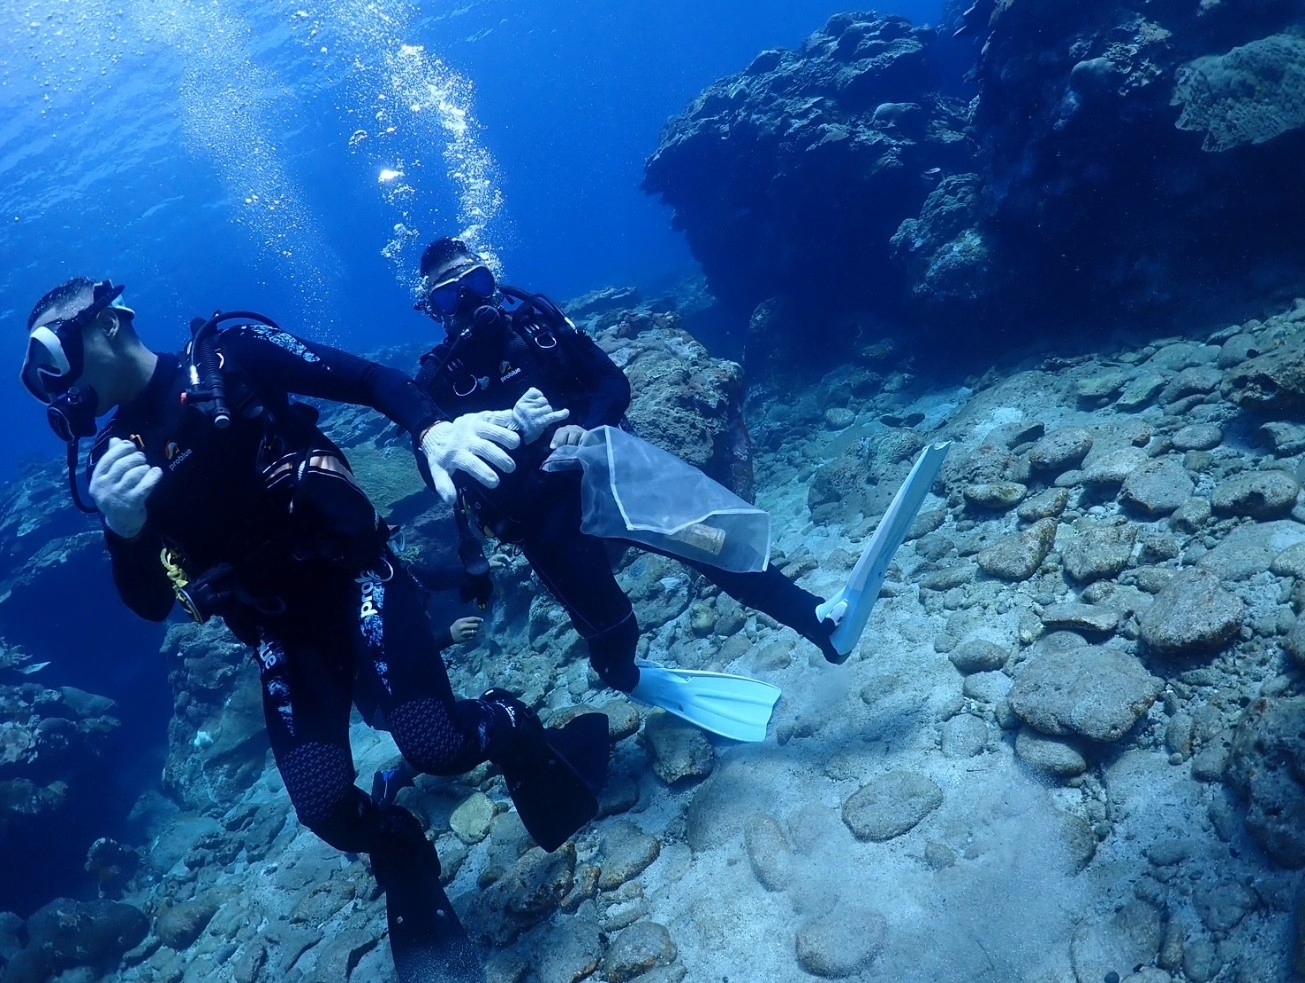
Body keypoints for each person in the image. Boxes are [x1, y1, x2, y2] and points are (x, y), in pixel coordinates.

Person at [19, 277, 608, 978]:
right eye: (40, 371)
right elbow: (149, 603)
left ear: (110, 322)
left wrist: (432, 428)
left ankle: (511, 725)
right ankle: (399, 849)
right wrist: (122, 529)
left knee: (436, 743)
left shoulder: (229, 355)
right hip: (277, 631)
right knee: (325, 805)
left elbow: (366, 378)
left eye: (53, 348)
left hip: (356, 578)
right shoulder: (116, 458)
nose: (55, 380)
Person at [409, 240, 947, 741]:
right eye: (450, 294)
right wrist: (521, 443)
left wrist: (585, 427)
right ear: (434, 311)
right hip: (541, 519)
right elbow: (444, 474)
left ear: (494, 280)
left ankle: (822, 624)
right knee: (614, 626)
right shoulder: (437, 384)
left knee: (717, 544)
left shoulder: (539, 324)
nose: (469, 302)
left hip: (608, 471)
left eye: (476, 283)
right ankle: (625, 676)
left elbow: (610, 382)